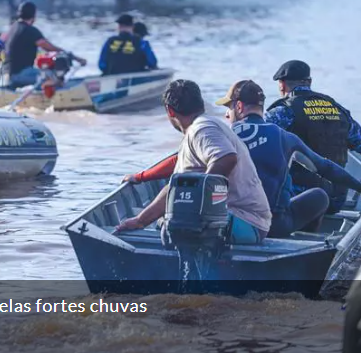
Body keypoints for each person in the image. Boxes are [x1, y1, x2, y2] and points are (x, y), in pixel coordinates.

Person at [116, 79, 272, 244]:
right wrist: (141, 220)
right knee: (168, 218)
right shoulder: (201, 129)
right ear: (201, 103)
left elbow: (226, 158)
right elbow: (174, 188)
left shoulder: (202, 129)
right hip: (244, 221)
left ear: (170, 111)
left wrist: (202, 199)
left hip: (246, 222)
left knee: (175, 222)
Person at [217, 80, 361, 238]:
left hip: (231, 224)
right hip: (275, 226)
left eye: (228, 108)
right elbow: (326, 168)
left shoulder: (220, 136)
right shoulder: (284, 137)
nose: (226, 114)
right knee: (320, 196)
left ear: (238, 106)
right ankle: (304, 245)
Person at [265, 60, 361, 213]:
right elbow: (358, 143)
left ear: (282, 85)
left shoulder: (283, 111)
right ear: (309, 81)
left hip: (300, 198)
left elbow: (258, 141)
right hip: (336, 199)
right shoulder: (337, 109)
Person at [1, 1, 86, 89]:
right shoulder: (30, 30)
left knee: (44, 73)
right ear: (34, 15)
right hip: (21, 74)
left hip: (8, 75)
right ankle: (57, 96)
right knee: (53, 78)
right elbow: (50, 48)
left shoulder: (13, 28)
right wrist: (76, 58)